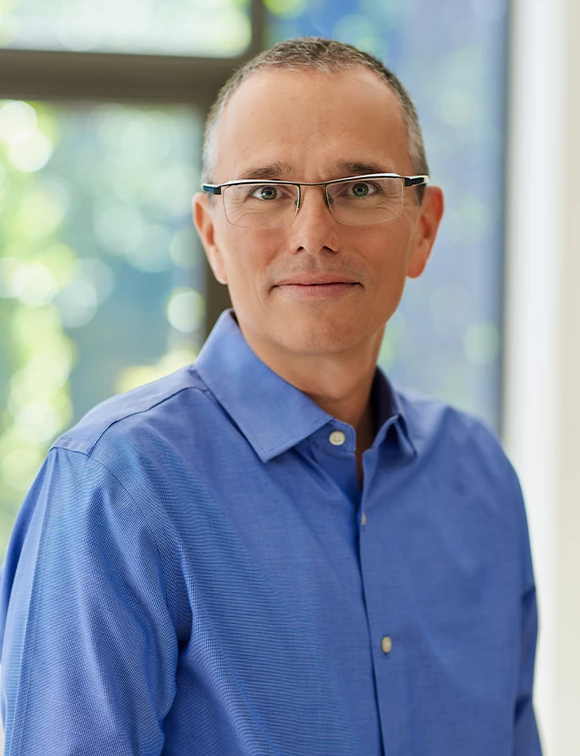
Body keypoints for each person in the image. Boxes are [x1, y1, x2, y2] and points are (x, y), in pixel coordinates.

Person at [0, 37, 541, 756]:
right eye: (265, 192)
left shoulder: (480, 479)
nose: (313, 235)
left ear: (425, 227)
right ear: (211, 236)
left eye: (360, 188)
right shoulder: (115, 488)